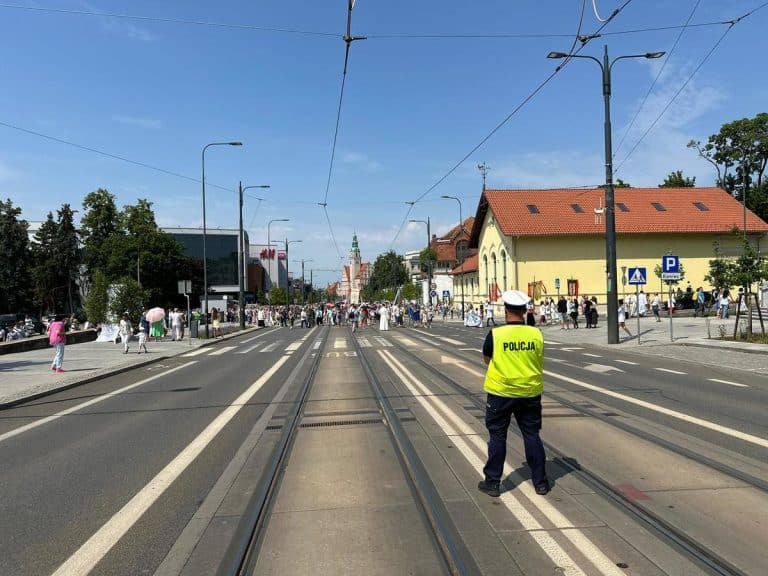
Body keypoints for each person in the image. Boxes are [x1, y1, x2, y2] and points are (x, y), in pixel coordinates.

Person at [478, 290, 550, 498]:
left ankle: (492, 482)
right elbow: (538, 357)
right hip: (529, 393)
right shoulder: (536, 334)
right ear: (523, 310)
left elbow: (486, 358)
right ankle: (541, 483)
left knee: (498, 436)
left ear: (506, 310)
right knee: (532, 435)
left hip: (501, 393)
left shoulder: (496, 334)